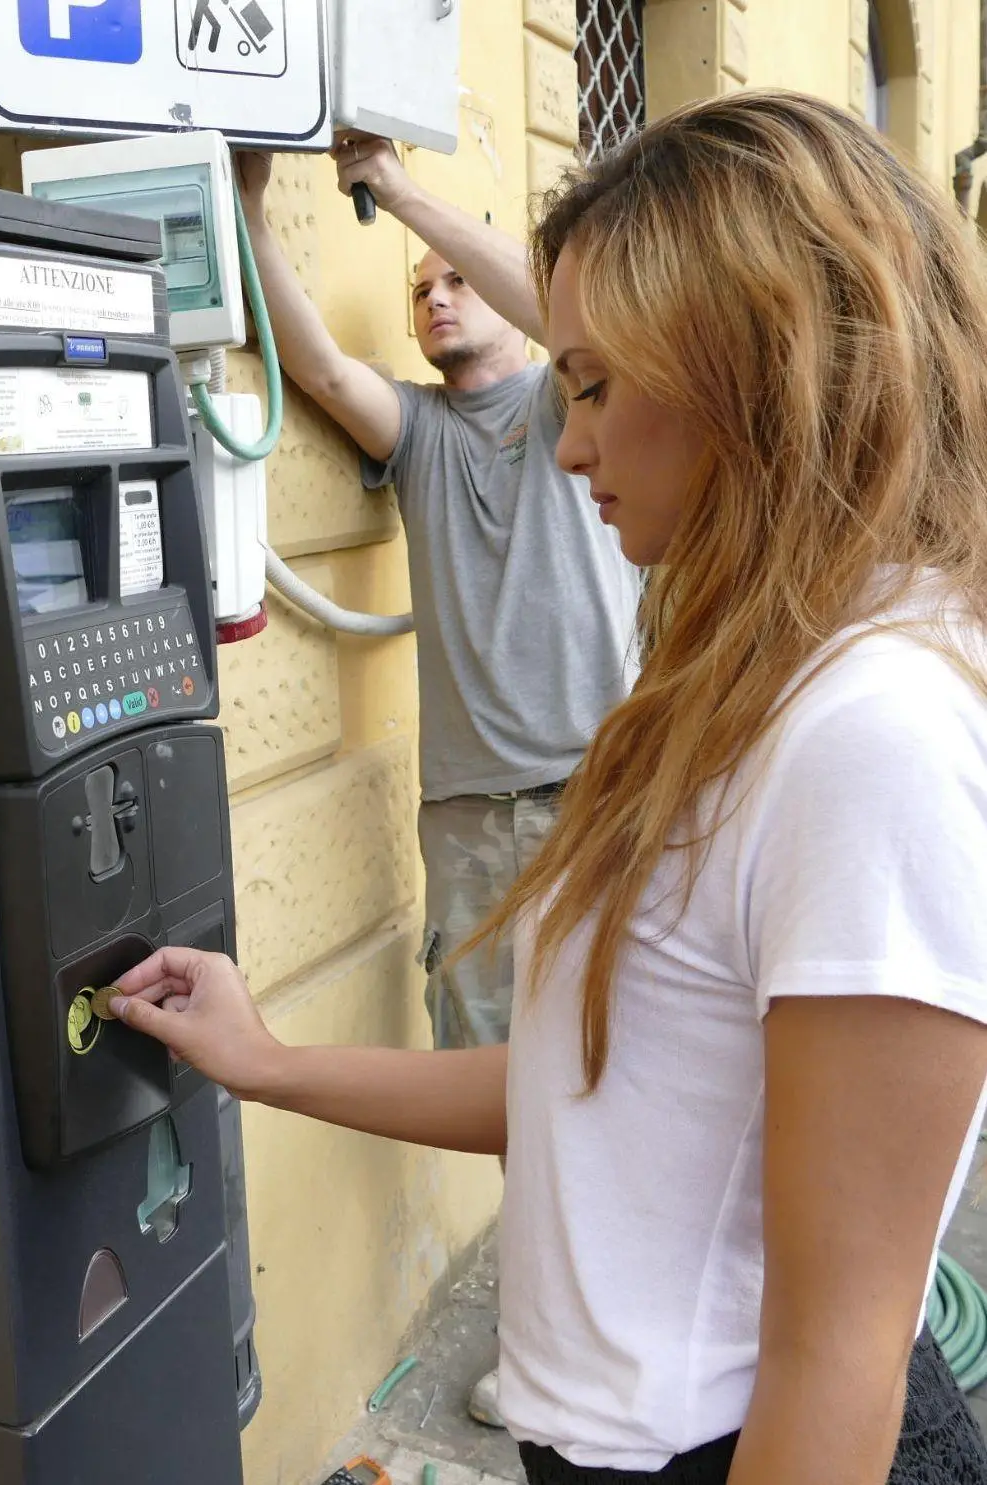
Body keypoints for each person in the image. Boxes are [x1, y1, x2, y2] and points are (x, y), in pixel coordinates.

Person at [113, 90, 987, 1483]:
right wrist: (265, 1062)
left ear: (749, 368)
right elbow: (595, 1094)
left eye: (591, 387)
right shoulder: (745, 677)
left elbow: (837, 1356)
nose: (569, 442)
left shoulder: (868, 729)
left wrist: (395, 188)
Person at [236, 138, 642, 1425]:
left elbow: (555, 302)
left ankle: (628, 1327)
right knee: (510, 1095)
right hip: (468, 824)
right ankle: (553, 1341)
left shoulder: (562, 410)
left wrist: (398, 186)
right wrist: (246, 201)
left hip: (601, 801)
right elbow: (309, 360)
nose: (434, 298)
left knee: (624, 1076)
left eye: (448, 281)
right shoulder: (414, 435)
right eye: (415, 290)